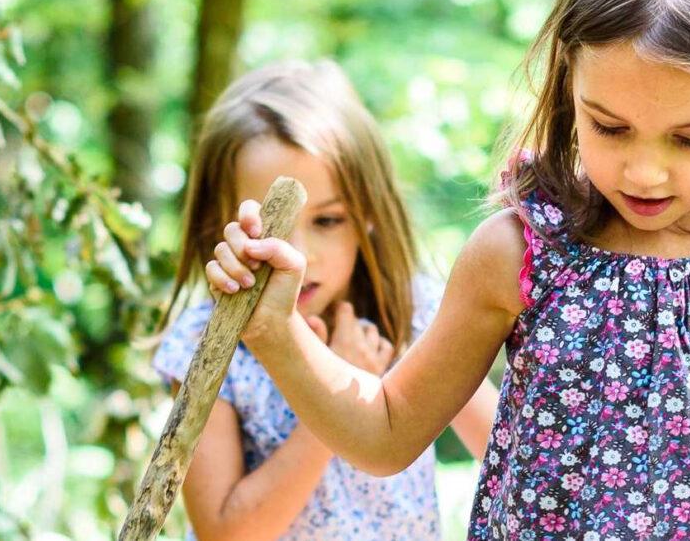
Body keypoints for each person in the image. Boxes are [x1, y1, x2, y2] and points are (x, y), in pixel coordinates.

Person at [201, 0, 690, 537]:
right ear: (567, 70)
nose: (645, 172)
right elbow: (388, 431)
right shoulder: (519, 253)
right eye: (609, 126)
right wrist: (279, 332)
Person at [154, 60, 499, 540]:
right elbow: (225, 533)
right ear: (220, 223)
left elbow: (509, 450)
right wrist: (338, 391)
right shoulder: (206, 341)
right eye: (271, 223)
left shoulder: (410, 309)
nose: (299, 253)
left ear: (369, 214)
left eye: (328, 220)